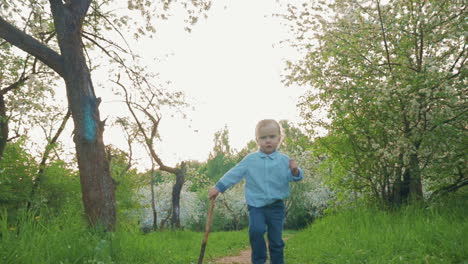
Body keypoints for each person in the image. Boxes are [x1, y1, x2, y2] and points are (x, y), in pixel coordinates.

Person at [208, 119, 303, 264]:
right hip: (256, 206)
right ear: (257, 140)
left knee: (276, 240)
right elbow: (235, 173)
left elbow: (294, 177)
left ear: (279, 138)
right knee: (256, 232)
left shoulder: (284, 160)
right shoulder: (250, 160)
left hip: (276, 206)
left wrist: (295, 170)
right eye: (263, 138)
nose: (268, 141)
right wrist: (218, 187)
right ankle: (258, 260)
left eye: (271, 137)